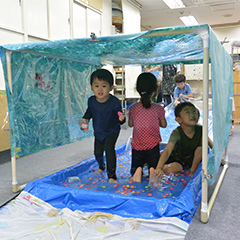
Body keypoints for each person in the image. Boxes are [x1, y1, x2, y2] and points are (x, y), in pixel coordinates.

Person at [78, 69, 125, 183]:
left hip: (112, 131)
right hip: (98, 132)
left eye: (104, 86)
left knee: (109, 149)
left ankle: (112, 175)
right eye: (96, 85)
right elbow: (89, 113)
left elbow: (119, 112)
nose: (100, 89)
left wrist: (121, 117)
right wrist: (84, 120)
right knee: (97, 152)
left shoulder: (114, 102)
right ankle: (101, 166)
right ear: (92, 87)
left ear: (111, 88)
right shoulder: (92, 101)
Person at [155, 102, 213, 178]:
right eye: (187, 112)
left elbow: (200, 150)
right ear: (179, 120)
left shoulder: (201, 130)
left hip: (189, 160)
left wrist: (192, 171)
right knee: (161, 162)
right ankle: (157, 169)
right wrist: (159, 167)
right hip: (177, 157)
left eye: (194, 111)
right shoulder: (177, 133)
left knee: (172, 168)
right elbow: (168, 150)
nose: (192, 115)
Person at [128, 72, 167, 182]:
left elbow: (131, 124)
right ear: (155, 91)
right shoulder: (158, 108)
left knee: (135, 167)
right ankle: (152, 170)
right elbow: (164, 125)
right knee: (154, 165)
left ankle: (138, 170)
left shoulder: (133, 108)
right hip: (152, 146)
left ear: (137, 90)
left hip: (137, 146)